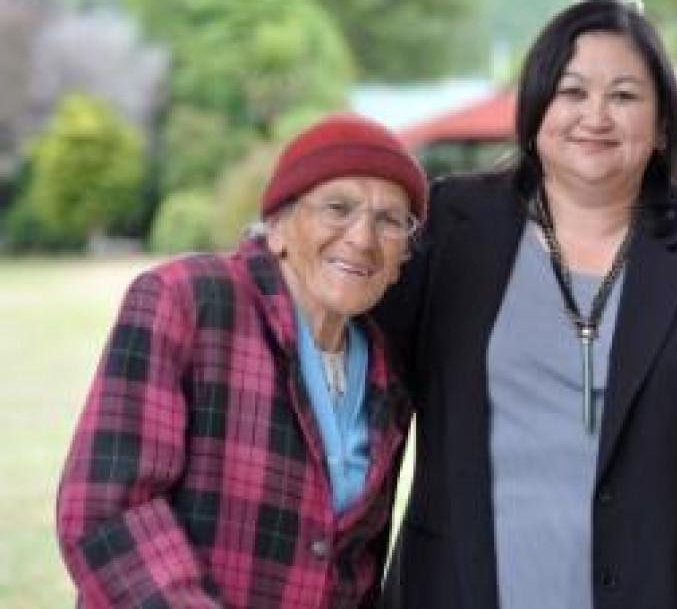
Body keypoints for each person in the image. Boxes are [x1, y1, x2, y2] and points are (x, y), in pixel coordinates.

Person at [374, 0, 677, 609]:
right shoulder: (453, 224)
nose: (594, 116)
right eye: (571, 91)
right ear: (536, 108)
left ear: (660, 126)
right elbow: (356, 363)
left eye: (624, 95)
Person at [57, 113, 428, 608]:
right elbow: (107, 510)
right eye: (338, 208)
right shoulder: (186, 300)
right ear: (277, 226)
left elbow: (354, 565)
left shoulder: (388, 373)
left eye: (389, 221)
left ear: (404, 255)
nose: (362, 237)